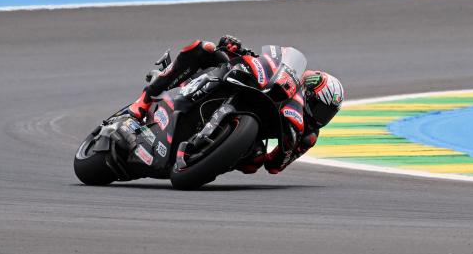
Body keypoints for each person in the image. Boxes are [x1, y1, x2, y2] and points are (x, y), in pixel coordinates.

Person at [128, 35, 344, 174]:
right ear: (308, 91)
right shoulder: (288, 84)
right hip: (240, 86)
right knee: (206, 48)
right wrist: (236, 49)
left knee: (253, 162)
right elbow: (265, 63)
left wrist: (264, 153)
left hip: (246, 139)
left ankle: (208, 153)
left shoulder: (308, 136)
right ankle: (144, 101)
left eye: (327, 114)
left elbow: (276, 166)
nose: (320, 116)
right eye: (320, 108)